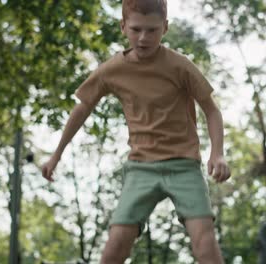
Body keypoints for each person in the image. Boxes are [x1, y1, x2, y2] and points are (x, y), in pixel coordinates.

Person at [41, 0, 231, 263]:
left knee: (204, 241)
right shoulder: (113, 70)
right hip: (141, 167)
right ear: (123, 26)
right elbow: (83, 107)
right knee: (116, 243)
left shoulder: (179, 66)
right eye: (136, 29)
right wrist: (56, 155)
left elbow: (211, 109)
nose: (143, 38)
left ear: (165, 28)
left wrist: (217, 153)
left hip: (184, 165)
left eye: (152, 30)